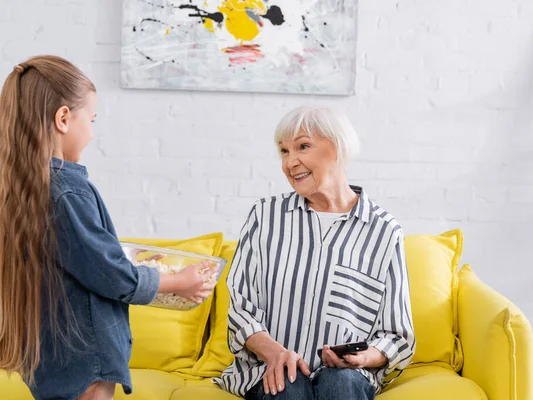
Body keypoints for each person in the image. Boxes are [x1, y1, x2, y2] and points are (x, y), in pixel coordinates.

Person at [0, 55, 219, 400]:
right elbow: (109, 272)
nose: (92, 130)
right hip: (84, 356)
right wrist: (178, 281)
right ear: (63, 118)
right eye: (92, 118)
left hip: (50, 354)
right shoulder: (66, 192)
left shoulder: (21, 190)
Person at [215, 106, 416, 399]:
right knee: (287, 385)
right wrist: (276, 354)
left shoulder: (384, 231)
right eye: (284, 151)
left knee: (341, 384)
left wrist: (364, 357)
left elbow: (397, 335)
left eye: (303, 146)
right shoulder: (266, 216)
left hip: (347, 377)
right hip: (269, 368)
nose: (290, 162)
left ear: (338, 147)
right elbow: (242, 309)